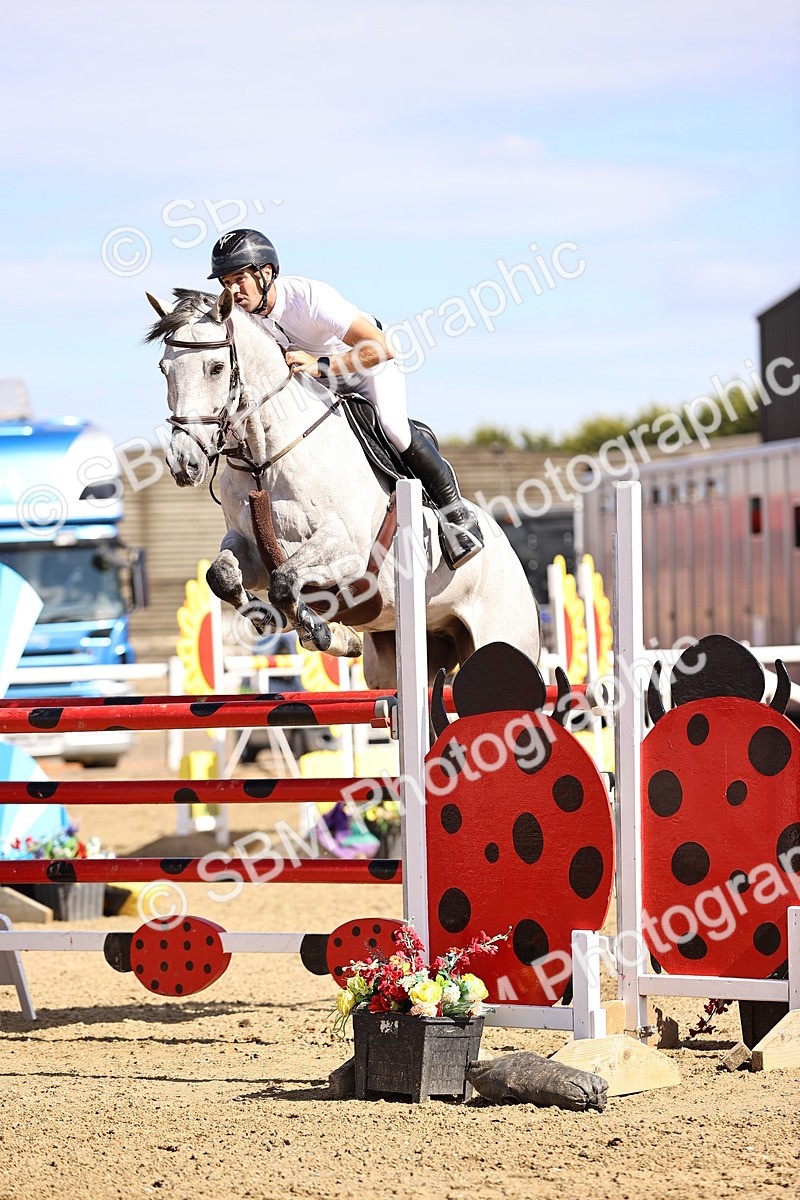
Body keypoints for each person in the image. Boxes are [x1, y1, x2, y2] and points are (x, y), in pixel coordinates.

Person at [207, 229, 483, 568]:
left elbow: (382, 347)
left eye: (239, 279)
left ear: (265, 273)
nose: (232, 290)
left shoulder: (307, 298)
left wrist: (322, 367)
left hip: (366, 366)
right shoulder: (244, 319)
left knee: (392, 428)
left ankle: (456, 515)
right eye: (225, 282)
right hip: (317, 382)